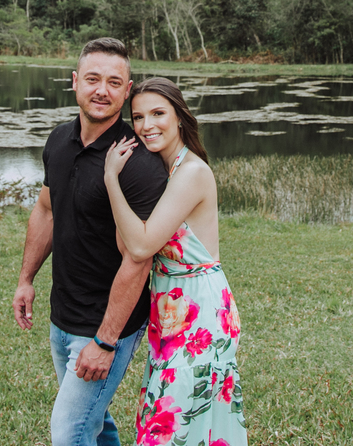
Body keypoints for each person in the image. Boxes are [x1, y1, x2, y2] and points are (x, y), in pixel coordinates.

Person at [13, 38, 168, 446]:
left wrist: (105, 341)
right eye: (93, 79)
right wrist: (26, 278)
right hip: (62, 313)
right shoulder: (58, 141)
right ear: (75, 81)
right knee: (92, 422)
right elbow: (46, 209)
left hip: (106, 324)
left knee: (69, 432)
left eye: (114, 82)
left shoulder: (138, 164)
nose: (102, 90)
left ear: (127, 90)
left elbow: (138, 259)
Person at [103, 77, 248, 446]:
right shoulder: (161, 173)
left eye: (158, 113)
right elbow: (127, 244)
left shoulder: (191, 173)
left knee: (169, 424)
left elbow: (141, 247)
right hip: (169, 309)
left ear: (179, 117)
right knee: (174, 418)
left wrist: (111, 180)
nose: (146, 125)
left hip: (200, 311)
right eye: (138, 117)